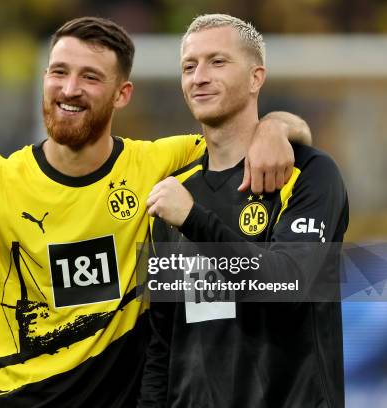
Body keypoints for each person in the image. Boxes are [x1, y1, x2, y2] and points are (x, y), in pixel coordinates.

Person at [0, 17, 311, 408]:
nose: (70, 89)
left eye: (90, 77)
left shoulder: (161, 163)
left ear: (122, 94)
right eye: (59, 72)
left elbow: (280, 136)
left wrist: (273, 127)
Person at [139, 14, 348, 408]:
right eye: (189, 66)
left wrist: (194, 220)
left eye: (217, 62)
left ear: (256, 78)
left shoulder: (311, 174)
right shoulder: (174, 194)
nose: (199, 76)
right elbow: (163, 343)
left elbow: (287, 288)